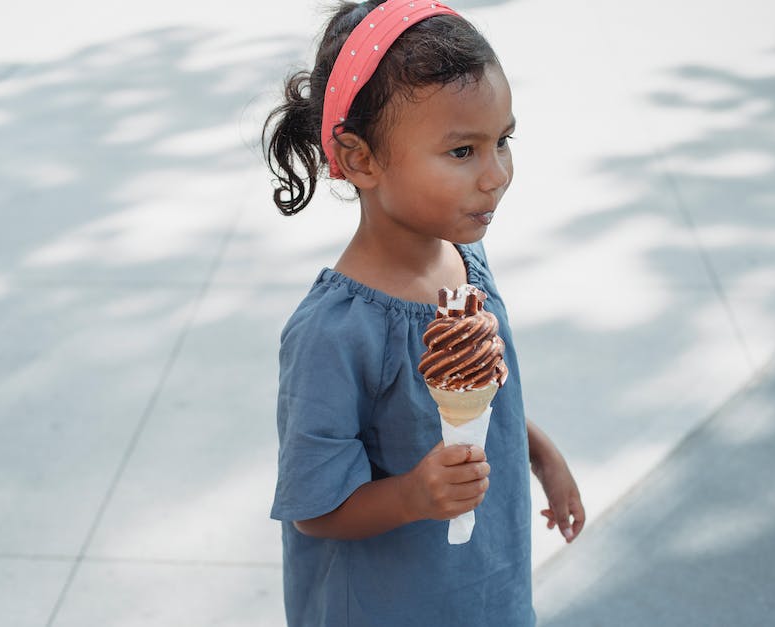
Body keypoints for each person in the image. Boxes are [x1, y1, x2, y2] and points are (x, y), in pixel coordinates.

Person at [262, 1, 585, 624]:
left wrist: (539, 453)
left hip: (486, 584)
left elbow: (482, 395)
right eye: (463, 151)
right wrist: (413, 494)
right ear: (360, 159)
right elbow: (315, 506)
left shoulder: (468, 259)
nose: (496, 176)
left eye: (503, 142)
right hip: (390, 605)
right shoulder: (333, 333)